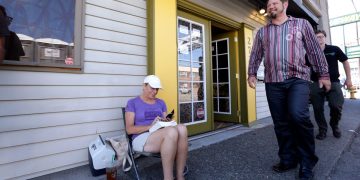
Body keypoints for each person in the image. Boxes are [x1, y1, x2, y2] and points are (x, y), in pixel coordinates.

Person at [247, 0, 331, 179]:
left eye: (275, 2)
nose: (271, 6)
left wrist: (323, 74)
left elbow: (314, 50)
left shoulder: (301, 24)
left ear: (285, 4)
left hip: (297, 79)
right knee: (281, 123)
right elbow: (255, 54)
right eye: (269, 4)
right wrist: (251, 73)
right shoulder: (263, 32)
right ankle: (288, 159)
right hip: (273, 82)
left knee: (298, 116)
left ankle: (307, 162)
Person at [125, 75, 188, 180]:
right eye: (152, 88)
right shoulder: (133, 103)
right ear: (144, 86)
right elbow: (129, 129)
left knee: (182, 128)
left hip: (161, 134)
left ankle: (180, 175)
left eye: (157, 89)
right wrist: (151, 126)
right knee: (171, 132)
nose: (155, 91)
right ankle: (168, 178)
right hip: (142, 138)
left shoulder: (161, 103)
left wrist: (166, 121)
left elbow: (164, 122)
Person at [310, 30, 352, 140]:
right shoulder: (310, 52)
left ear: (325, 38)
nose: (319, 39)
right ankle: (322, 129)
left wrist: (348, 79)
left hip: (334, 82)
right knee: (317, 108)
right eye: (316, 37)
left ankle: (334, 124)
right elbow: (305, 67)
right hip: (316, 83)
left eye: (321, 37)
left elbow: (345, 62)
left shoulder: (334, 49)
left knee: (336, 106)